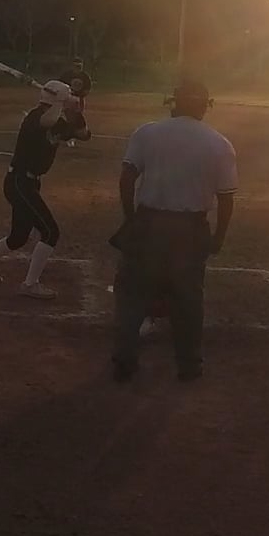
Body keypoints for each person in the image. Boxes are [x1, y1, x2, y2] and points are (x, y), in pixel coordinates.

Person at [109, 78, 238, 384]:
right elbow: (226, 198)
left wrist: (131, 218)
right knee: (188, 298)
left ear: (174, 103)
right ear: (204, 107)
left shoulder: (147, 132)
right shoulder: (219, 143)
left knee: (132, 294)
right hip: (191, 229)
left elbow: (127, 178)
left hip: (149, 222)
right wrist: (219, 236)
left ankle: (125, 360)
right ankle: (189, 365)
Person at [0, 72, 92, 298]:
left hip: (29, 184)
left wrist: (76, 113)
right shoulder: (34, 118)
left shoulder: (58, 122)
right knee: (50, 232)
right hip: (19, 182)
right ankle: (30, 284)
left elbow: (84, 135)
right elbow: (47, 122)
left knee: (19, 236)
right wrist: (62, 102)